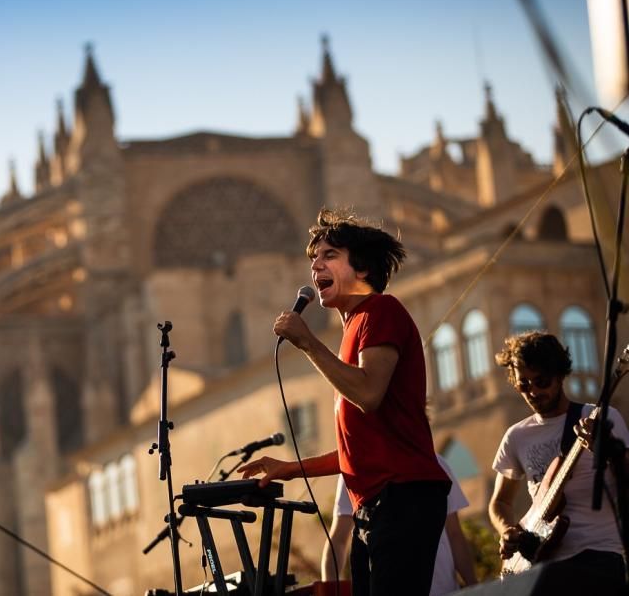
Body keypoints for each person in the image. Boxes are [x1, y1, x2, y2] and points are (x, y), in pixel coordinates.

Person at [238, 208, 449, 596]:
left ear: (363, 268)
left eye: (329, 255)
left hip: (403, 497)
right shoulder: (353, 326)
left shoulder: (380, 311)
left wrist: (307, 343)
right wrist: (290, 469)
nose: (315, 265)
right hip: (374, 503)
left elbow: (368, 394)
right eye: (313, 259)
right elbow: (360, 450)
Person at [489, 331, 628, 590]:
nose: (532, 391)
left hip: (598, 556)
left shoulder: (602, 419)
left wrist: (607, 450)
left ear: (560, 374)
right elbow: (500, 501)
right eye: (523, 385)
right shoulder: (516, 436)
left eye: (541, 381)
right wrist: (508, 529)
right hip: (540, 565)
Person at [321, 455, 477, 595]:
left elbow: (454, 534)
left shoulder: (436, 463)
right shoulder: (357, 467)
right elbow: (339, 539)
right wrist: (328, 590)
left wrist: (474, 586)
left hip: (444, 590)